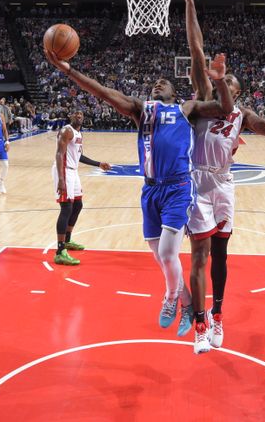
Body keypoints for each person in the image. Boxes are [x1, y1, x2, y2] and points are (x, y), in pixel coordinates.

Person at [44, 45, 234, 338]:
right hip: (150, 192)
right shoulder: (141, 109)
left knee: (169, 253)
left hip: (179, 188)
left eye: (164, 82)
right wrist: (69, 71)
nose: (157, 83)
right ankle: (185, 303)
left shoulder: (187, 109)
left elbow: (224, 108)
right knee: (159, 255)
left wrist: (220, 81)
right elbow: (103, 92)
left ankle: (171, 297)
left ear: (174, 91)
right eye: (154, 83)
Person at [183, 0, 265, 353]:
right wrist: (190, 1)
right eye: (216, 76)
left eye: (228, 80)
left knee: (221, 256)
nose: (218, 79)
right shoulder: (206, 98)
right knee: (198, 255)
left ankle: (219, 315)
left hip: (224, 185)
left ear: (236, 92)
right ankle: (199, 323)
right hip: (197, 183)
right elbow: (196, 48)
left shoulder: (243, 114)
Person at [52, 110, 112, 266]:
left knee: (78, 205)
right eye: (76, 114)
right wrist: (60, 179)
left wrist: (99, 164)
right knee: (66, 208)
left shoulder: (78, 134)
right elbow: (59, 154)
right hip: (64, 171)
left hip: (73, 171)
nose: (79, 116)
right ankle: (60, 252)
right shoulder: (66, 130)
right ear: (70, 116)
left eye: (81, 114)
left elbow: (80, 156)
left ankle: (68, 241)